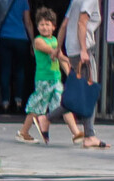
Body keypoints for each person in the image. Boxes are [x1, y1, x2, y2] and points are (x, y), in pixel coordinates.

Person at [60, 0, 109, 149]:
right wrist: (83, 50)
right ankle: (89, 136)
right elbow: (82, 22)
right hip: (82, 50)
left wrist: (58, 49)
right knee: (88, 92)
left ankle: (46, 119)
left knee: (81, 92)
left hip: (72, 48)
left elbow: (64, 24)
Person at [19, 8, 68, 144]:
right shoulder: (38, 41)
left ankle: (76, 133)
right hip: (43, 79)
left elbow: (60, 58)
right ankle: (24, 131)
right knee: (37, 107)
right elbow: (55, 54)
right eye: (41, 24)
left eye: (47, 24)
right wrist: (66, 59)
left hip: (55, 78)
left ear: (54, 26)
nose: (44, 27)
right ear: (37, 27)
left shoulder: (54, 40)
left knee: (63, 104)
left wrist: (69, 72)